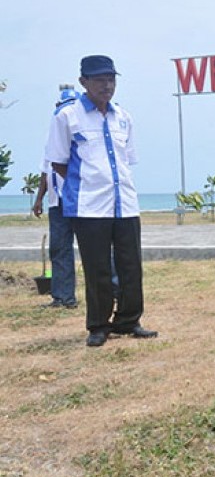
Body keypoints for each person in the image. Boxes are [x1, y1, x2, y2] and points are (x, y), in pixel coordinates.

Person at [45, 55, 156, 347]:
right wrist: (88, 183)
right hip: (89, 206)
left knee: (131, 265)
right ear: (84, 82)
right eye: (99, 80)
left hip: (125, 203)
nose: (107, 85)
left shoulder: (123, 117)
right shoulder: (67, 117)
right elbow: (58, 162)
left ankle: (129, 320)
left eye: (111, 79)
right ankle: (98, 325)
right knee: (98, 269)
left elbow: (127, 159)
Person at [33, 86, 81, 309]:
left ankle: (113, 292)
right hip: (57, 202)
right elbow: (46, 171)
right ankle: (63, 297)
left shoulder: (83, 137)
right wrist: (39, 199)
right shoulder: (52, 138)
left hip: (81, 200)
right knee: (59, 249)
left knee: (95, 249)